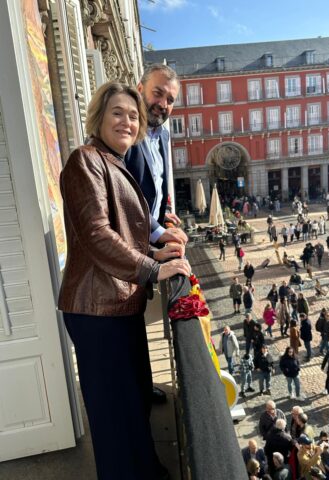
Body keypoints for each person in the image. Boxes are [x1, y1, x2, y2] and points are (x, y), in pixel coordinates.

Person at [58, 82, 191, 480]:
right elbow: (98, 234)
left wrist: (155, 253)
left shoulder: (110, 160)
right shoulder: (85, 161)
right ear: (98, 116)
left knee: (132, 406)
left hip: (118, 304)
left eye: (133, 116)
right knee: (114, 419)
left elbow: (121, 233)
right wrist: (153, 269)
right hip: (97, 310)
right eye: (118, 112)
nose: (128, 122)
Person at [125, 64, 187, 246]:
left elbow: (156, 184)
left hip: (148, 238)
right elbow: (123, 197)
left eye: (170, 99)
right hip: (129, 242)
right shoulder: (124, 131)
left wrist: (162, 211)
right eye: (157, 93)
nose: (163, 104)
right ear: (139, 89)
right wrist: (158, 232)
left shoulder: (163, 134)